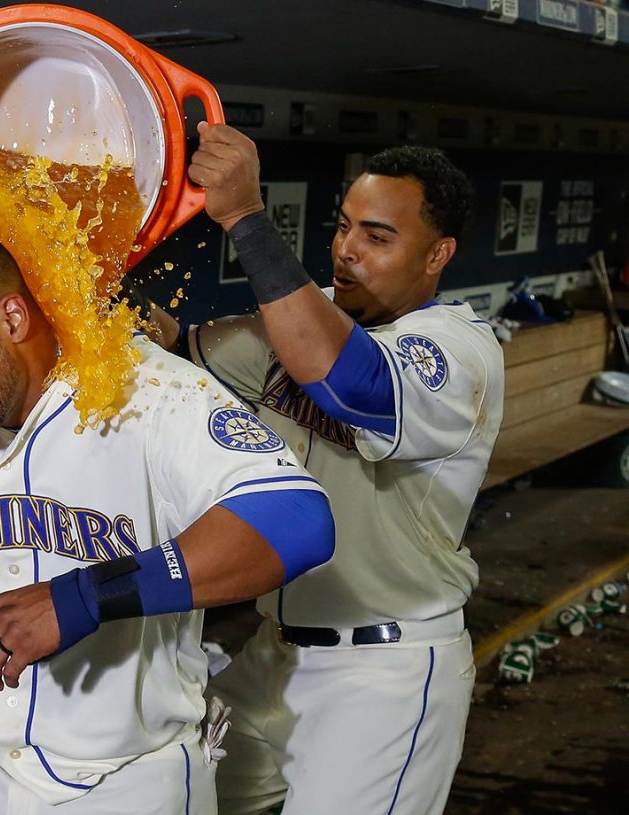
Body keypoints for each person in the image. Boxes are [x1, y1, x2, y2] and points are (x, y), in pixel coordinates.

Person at [0, 211, 336, 814]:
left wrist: (86, 597)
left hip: (125, 777)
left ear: (12, 317)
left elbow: (298, 519)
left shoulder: (140, 389)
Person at [177, 124, 504, 815]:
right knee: (171, 794)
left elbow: (351, 382)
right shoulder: (307, 315)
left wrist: (244, 217)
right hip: (274, 657)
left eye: (378, 237)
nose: (347, 249)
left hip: (384, 670)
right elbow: (174, 358)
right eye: (345, 226)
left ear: (436, 254)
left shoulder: (459, 351)